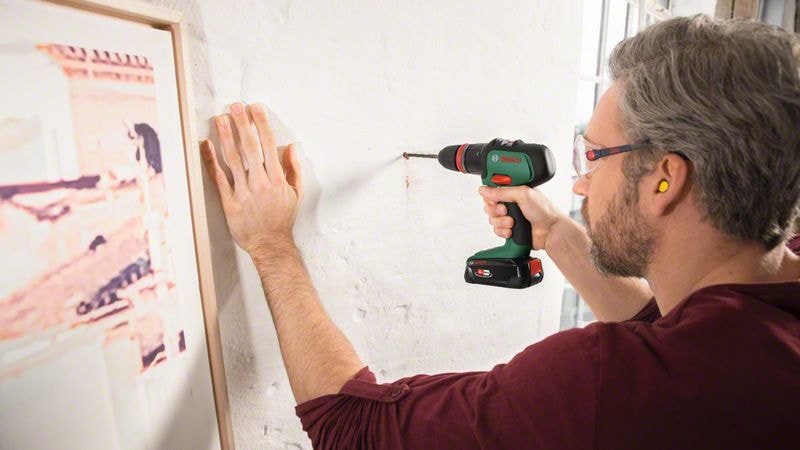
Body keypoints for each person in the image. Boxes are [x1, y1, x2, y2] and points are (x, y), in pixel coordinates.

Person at [199, 15, 800, 450]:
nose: (581, 183)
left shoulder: (606, 383)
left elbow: (354, 431)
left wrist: (271, 245)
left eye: (593, 155)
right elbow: (670, 330)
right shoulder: (760, 316)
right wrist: (555, 233)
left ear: (665, 179)